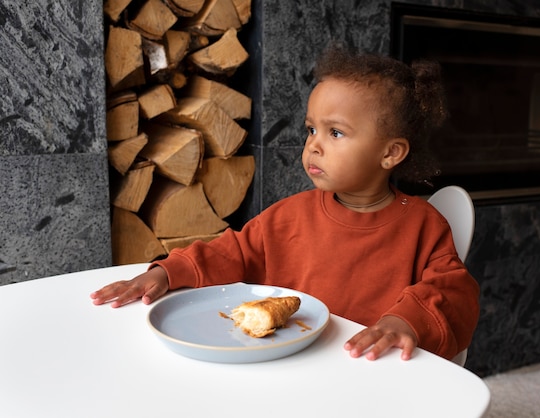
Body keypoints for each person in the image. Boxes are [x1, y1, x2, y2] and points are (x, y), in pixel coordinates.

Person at [91, 45, 480, 362]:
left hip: (370, 371)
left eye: (336, 132)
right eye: (311, 128)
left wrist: (405, 321)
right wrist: (167, 273)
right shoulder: (290, 216)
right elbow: (231, 251)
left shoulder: (424, 226)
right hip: (290, 362)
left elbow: (454, 290)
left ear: (390, 153)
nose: (314, 143)